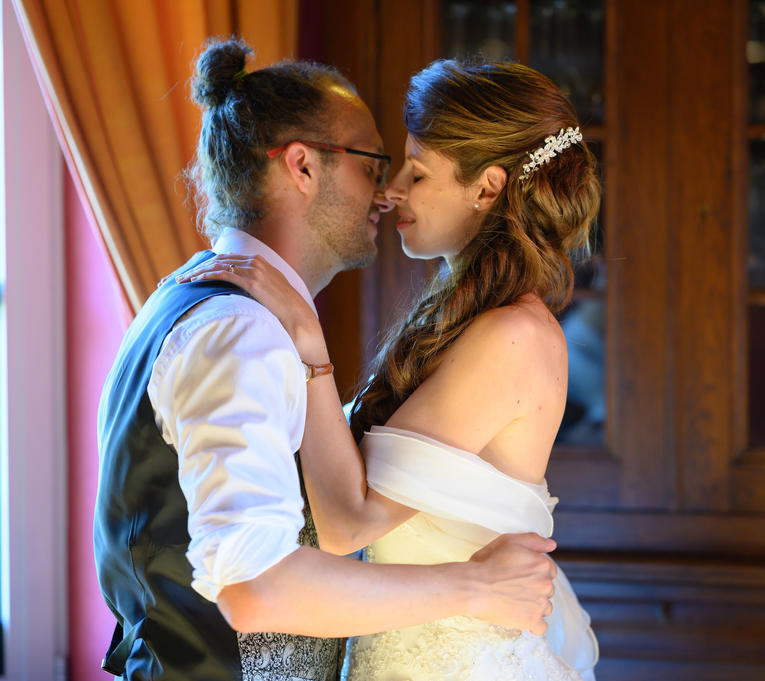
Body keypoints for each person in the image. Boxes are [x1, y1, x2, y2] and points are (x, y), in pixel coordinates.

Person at [94, 40, 558, 681]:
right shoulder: (239, 330)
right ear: (303, 167)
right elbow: (257, 585)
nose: (387, 192)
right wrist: (475, 586)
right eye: (374, 164)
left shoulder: (208, 306)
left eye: (411, 171)